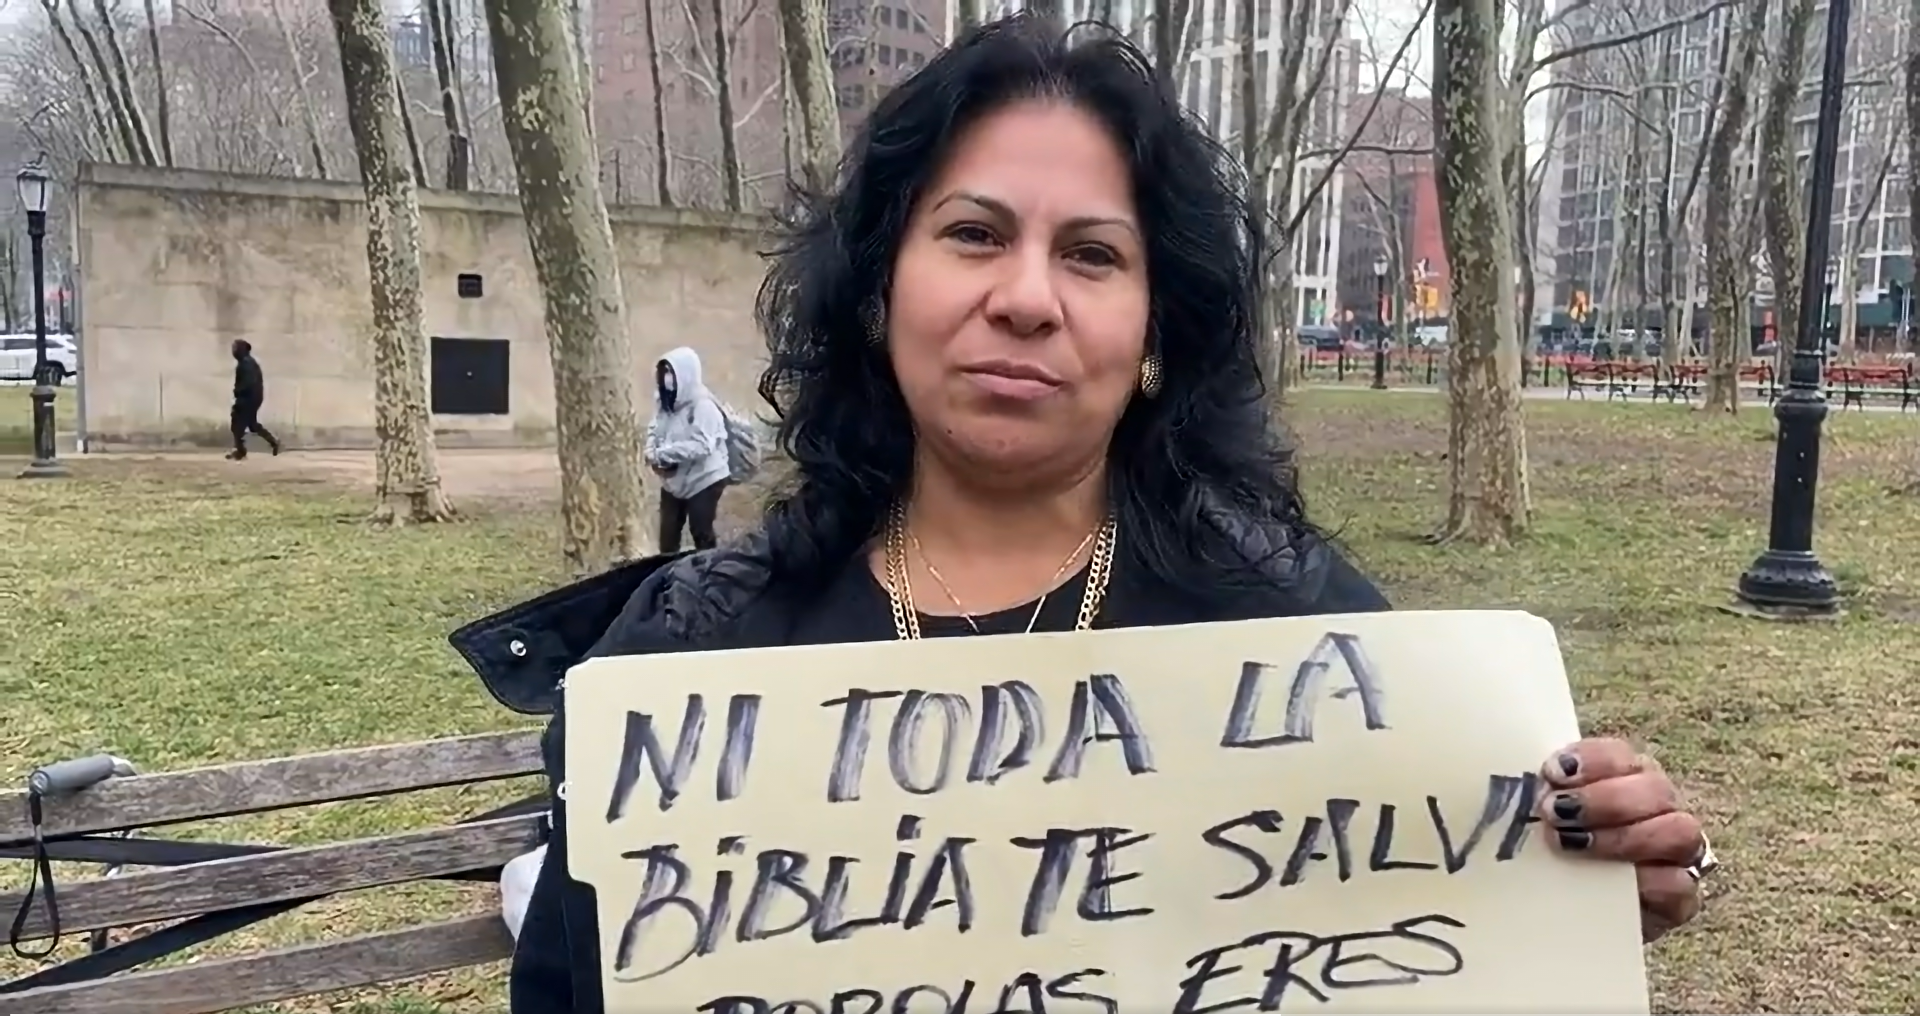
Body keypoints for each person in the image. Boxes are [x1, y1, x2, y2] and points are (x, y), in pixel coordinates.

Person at [451, 15, 1712, 1012]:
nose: (1026, 297)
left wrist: (1592, 878)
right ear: (879, 288)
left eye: (1093, 254)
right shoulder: (694, 660)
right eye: (972, 233)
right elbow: (571, 987)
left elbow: (1430, 942)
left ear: (1156, 328)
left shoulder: (1302, 631)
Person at [644, 346, 730, 552]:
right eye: (663, 373)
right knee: (668, 535)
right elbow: (654, 429)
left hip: (705, 479)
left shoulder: (704, 407)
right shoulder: (664, 404)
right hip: (674, 480)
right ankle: (665, 576)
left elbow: (702, 445)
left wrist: (662, 454)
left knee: (701, 531)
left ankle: (709, 573)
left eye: (671, 373)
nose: (667, 378)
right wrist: (650, 451)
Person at [226, 339, 280, 460]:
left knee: (237, 422)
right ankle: (273, 442)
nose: (233, 351)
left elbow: (249, 382)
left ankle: (240, 450)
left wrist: (239, 392)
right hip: (252, 397)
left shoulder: (246, 364)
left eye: (235, 348)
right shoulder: (246, 362)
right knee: (252, 425)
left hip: (249, 398)